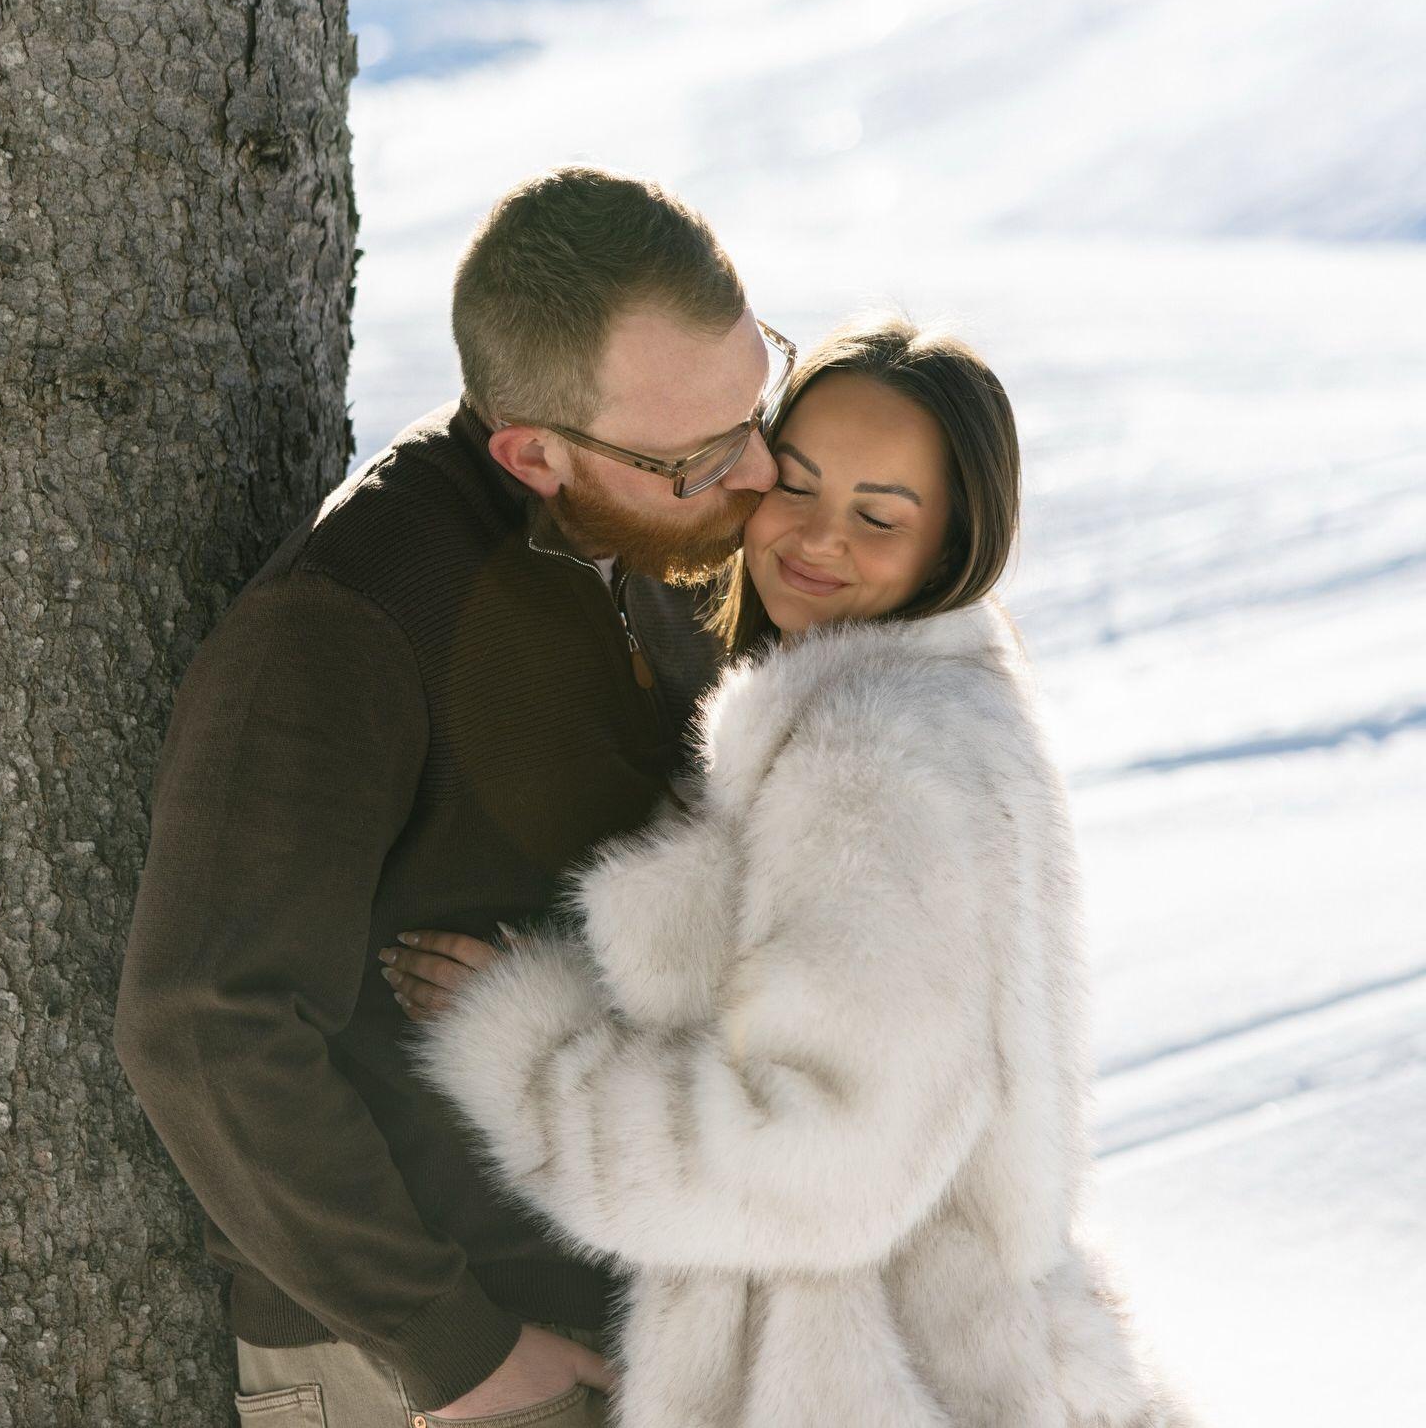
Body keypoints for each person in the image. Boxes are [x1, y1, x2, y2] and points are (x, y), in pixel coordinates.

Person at [399, 316, 1198, 1428]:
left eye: (879, 515)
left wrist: (529, 1053)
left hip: (859, 1376)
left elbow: (825, 1159)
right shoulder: (927, 707)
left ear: (953, 543)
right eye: (799, 485)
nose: (818, 537)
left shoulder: (874, 754)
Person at [112, 166, 797, 1426]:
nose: (759, 468)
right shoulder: (347, 622)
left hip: (646, 1318)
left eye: (757, 402)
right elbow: (201, 1022)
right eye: (701, 455)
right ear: (534, 452)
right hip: (438, 1362)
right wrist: (457, 1345)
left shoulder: (665, 538)